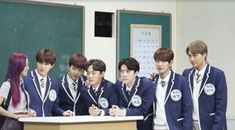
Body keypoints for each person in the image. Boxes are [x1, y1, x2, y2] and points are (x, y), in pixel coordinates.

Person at [182, 40, 227, 130]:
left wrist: (216, 127)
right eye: (190, 56)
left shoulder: (217, 74)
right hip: (191, 125)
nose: (191, 59)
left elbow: (221, 106)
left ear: (204, 54)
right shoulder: (187, 73)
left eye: (195, 56)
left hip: (210, 124)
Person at [152, 48, 192, 130]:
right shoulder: (152, 82)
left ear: (170, 62)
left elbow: (187, 108)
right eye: (157, 61)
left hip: (174, 127)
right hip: (156, 126)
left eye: (163, 61)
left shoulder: (181, 81)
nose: (159, 64)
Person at [109, 57, 154, 130]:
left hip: (143, 125)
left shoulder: (146, 84)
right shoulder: (119, 85)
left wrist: (123, 112)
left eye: (128, 71)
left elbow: (143, 110)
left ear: (136, 73)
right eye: (122, 71)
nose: (124, 75)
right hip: (125, 125)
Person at [0, 52, 34, 130]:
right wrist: (15, 116)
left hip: (23, 124)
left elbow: (18, 108)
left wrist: (29, 111)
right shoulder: (7, 85)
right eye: (25, 65)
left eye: (28, 65)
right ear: (17, 66)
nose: (28, 68)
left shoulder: (22, 86)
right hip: (10, 125)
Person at [24, 48, 58, 117]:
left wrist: (63, 112)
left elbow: (55, 107)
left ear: (52, 65)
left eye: (46, 64)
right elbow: (18, 105)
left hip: (48, 124)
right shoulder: (26, 80)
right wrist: (27, 110)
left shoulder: (54, 84)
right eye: (40, 63)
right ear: (36, 62)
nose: (42, 67)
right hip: (30, 123)